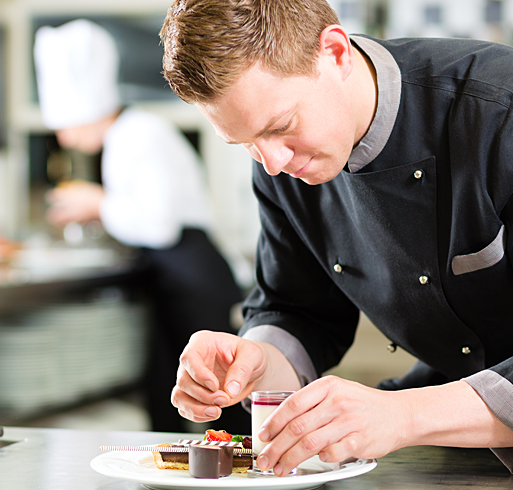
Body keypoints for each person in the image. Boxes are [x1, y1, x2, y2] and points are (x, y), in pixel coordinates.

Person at [159, 0, 513, 476]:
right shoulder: (279, 161)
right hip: (452, 443)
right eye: (245, 144)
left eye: (281, 126)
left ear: (335, 52)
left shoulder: (499, 111)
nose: (272, 164)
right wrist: (254, 363)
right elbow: (299, 310)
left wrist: (405, 416)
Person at [34, 18, 250, 434]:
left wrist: (98, 204)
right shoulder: (123, 137)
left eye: (64, 125)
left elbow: (159, 226)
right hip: (174, 277)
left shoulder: (140, 134)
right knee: (171, 394)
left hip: (195, 276)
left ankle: (247, 465)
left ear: (87, 111)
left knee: (225, 397)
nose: (63, 139)